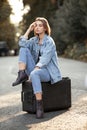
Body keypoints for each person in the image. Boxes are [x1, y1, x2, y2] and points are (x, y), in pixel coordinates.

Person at [12, 17, 62, 119]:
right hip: (36, 69)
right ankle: (21, 74)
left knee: (34, 74)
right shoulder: (34, 40)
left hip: (47, 72)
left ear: (45, 28)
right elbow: (21, 43)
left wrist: (36, 68)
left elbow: (45, 58)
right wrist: (28, 30)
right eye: (36, 25)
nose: (37, 28)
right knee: (23, 49)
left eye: (40, 25)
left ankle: (39, 106)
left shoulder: (49, 41)